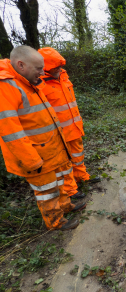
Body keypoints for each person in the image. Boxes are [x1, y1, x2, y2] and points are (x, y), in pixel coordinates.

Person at [0, 46, 85, 230]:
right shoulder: (6, 86)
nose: (42, 72)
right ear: (21, 65)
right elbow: (9, 131)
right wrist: (31, 161)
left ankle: (65, 207)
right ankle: (55, 221)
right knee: (47, 191)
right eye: (39, 68)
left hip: (51, 147)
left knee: (61, 181)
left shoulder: (27, 81)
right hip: (36, 155)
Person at [38, 47, 100, 199]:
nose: (59, 69)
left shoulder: (64, 77)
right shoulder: (39, 84)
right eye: (55, 67)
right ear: (45, 68)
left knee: (78, 154)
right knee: (63, 163)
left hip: (74, 127)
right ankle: (70, 190)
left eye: (60, 66)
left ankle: (82, 177)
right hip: (58, 133)